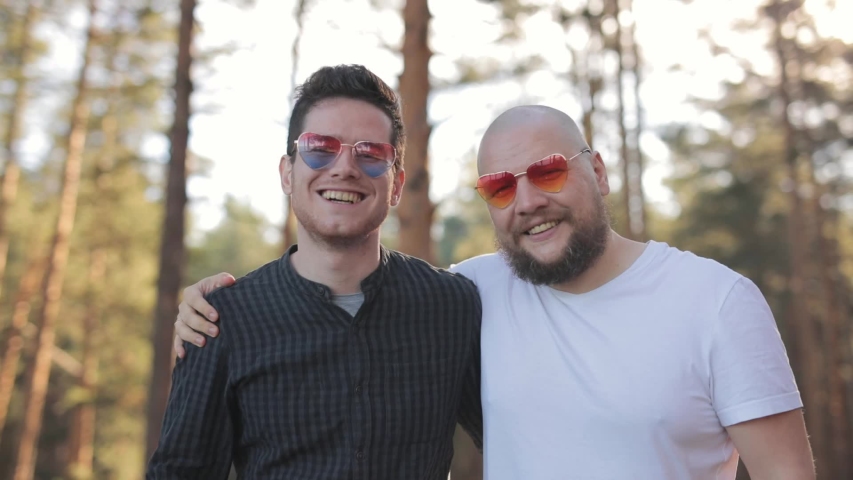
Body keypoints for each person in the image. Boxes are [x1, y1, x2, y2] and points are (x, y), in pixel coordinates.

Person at [174, 105, 815, 479]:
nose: (529, 201)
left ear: (596, 171)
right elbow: (346, 293)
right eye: (502, 187)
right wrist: (218, 302)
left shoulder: (716, 302)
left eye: (547, 172)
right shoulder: (470, 294)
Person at [146, 64, 483, 480]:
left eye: (371, 153)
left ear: (396, 186)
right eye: (321, 147)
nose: (344, 167)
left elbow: (521, 436)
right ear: (288, 173)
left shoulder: (453, 306)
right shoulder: (219, 320)